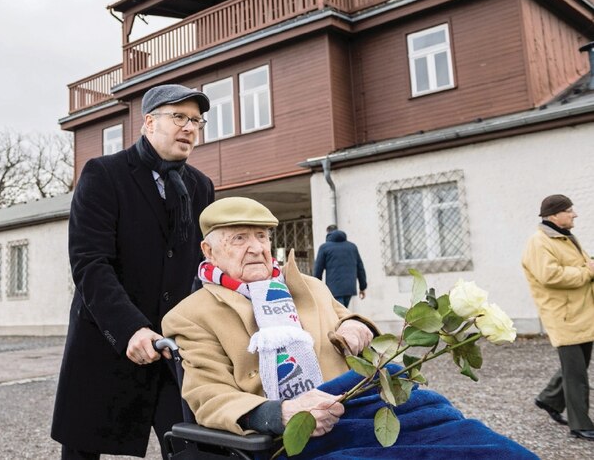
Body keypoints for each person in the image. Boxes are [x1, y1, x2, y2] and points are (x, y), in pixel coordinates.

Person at [162, 197, 538, 459]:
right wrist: (278, 414)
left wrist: (355, 324)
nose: (257, 248)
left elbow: (342, 316)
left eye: (261, 236)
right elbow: (207, 395)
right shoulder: (192, 314)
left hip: (359, 403)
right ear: (208, 251)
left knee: (471, 441)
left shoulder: (308, 285)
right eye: (239, 238)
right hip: (293, 436)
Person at [51, 84, 215, 459]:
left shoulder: (200, 186)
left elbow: (204, 265)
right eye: (179, 117)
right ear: (148, 122)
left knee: (194, 447)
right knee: (83, 447)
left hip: (174, 348)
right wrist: (129, 328)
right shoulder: (104, 175)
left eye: (196, 120)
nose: (189, 127)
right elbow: (91, 263)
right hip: (107, 341)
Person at [522, 194, 594, 441]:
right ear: (553, 215)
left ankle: (549, 399)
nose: (574, 214)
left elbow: (581, 265)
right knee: (577, 374)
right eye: (569, 210)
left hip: (581, 314)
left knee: (577, 367)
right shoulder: (539, 242)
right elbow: (549, 276)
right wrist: (587, 272)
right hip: (563, 316)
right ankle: (580, 424)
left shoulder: (565, 238)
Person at [314, 224, 367, 308]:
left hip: (333, 288)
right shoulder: (352, 247)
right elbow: (360, 268)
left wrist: (316, 287)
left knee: (339, 314)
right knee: (344, 311)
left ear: (328, 233)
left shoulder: (324, 247)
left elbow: (318, 270)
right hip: (349, 288)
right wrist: (362, 287)